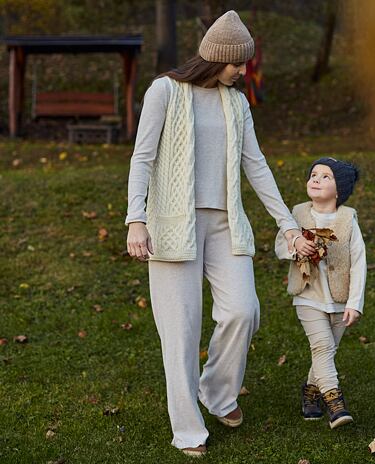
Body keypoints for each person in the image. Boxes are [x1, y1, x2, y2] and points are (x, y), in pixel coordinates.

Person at [125, 10, 303, 457]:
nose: (243, 71)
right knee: (180, 331)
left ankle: (218, 394)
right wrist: (136, 218)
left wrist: (289, 224)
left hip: (226, 224)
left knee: (244, 311)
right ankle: (187, 429)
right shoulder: (165, 91)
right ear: (216, 57)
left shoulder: (237, 103)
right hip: (171, 225)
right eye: (237, 63)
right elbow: (142, 158)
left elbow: (256, 166)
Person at [275, 157, 367, 429]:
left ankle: (310, 391)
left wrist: (355, 302)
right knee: (322, 346)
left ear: (339, 189)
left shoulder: (348, 218)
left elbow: (359, 261)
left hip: (340, 300)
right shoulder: (298, 213)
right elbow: (281, 246)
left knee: (327, 351)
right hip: (308, 296)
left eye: (325, 176)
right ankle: (335, 403)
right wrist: (295, 247)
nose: (316, 179)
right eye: (313, 174)